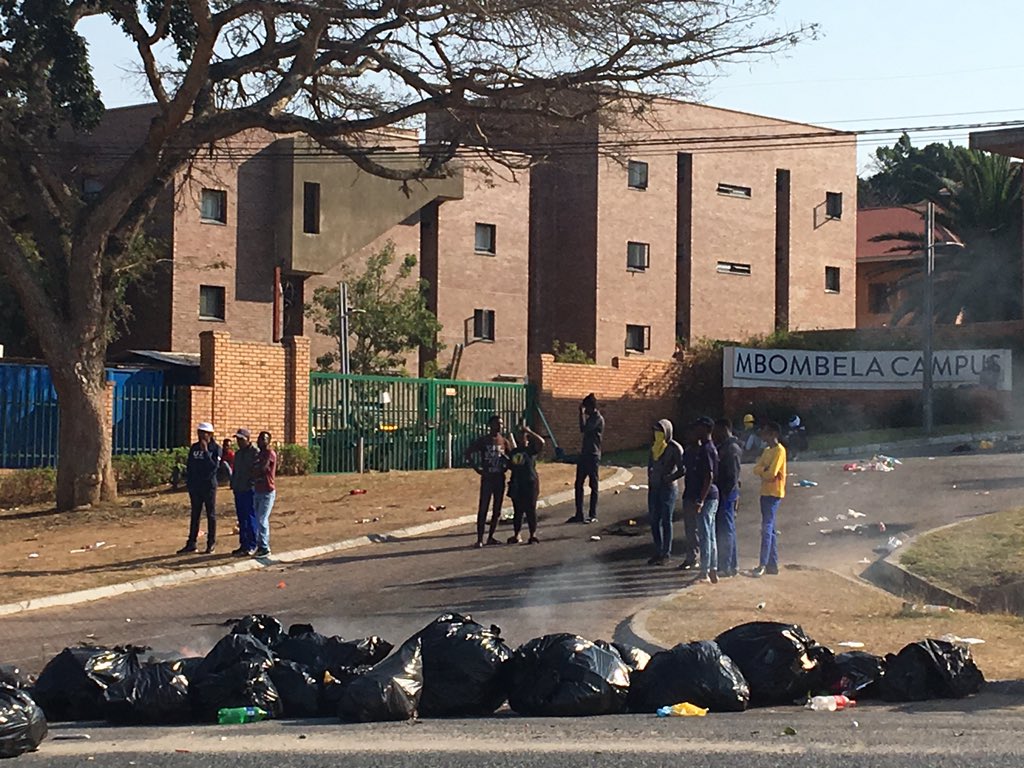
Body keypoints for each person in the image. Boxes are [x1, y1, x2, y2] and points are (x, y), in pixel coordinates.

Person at [464, 415, 511, 548]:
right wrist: (477, 468)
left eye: (501, 424)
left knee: (497, 509)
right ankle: (480, 538)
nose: (500, 426)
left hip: (499, 478)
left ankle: (491, 536)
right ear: (490, 425)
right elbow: (468, 453)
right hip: (488, 478)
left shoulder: (504, 441)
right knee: (483, 507)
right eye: (497, 424)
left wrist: (506, 464)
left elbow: (511, 457)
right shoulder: (483, 441)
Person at [685, 417, 720, 583]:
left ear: (706, 429)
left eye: (698, 428)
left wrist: (700, 500)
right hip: (710, 496)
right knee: (710, 533)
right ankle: (712, 568)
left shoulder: (707, 449)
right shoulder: (705, 448)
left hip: (706, 497)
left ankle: (705, 571)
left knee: (706, 534)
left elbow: (709, 476)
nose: (695, 431)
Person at [646, 419, 686, 566]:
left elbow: (683, 469)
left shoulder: (675, 448)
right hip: (654, 487)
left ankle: (666, 553)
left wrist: (669, 477)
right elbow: (650, 465)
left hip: (668, 488)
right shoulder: (654, 447)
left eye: (660, 431)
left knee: (666, 520)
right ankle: (658, 550)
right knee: (654, 520)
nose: (657, 434)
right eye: (656, 431)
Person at [178, 422, 221, 555]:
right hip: (195, 486)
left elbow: (214, 467)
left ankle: (211, 543)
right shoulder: (194, 447)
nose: (201, 435)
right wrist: (189, 483)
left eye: (204, 433)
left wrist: (206, 452)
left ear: (210, 434)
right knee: (195, 514)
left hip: (208, 486)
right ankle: (191, 543)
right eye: (199, 432)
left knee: (210, 514)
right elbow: (190, 466)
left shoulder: (215, 448)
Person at [752, 421, 787, 577]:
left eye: (766, 433)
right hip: (764, 492)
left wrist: (764, 471)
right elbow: (756, 468)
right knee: (770, 529)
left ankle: (763, 564)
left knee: (766, 528)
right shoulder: (767, 451)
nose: (763, 436)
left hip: (774, 493)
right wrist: (764, 471)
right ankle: (772, 565)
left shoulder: (780, 451)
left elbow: (771, 473)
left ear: (773, 434)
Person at [712, 418, 743, 577]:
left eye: (716, 430)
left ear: (724, 429)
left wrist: (724, 495)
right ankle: (730, 564)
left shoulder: (731, 449)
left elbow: (732, 477)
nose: (714, 434)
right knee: (726, 529)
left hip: (727, 494)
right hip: (725, 493)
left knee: (726, 530)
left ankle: (727, 565)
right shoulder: (724, 447)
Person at [506, 424, 546, 545]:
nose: (521, 438)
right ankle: (517, 534)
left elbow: (542, 442)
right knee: (518, 511)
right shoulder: (514, 452)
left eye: (524, 436)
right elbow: (510, 466)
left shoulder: (531, 450)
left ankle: (532, 534)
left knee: (530, 510)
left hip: (530, 482)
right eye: (519, 435)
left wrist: (530, 431)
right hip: (517, 483)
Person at [569, 393, 604, 524]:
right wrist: (581, 414)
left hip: (593, 455)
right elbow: (582, 428)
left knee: (593, 485)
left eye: (586, 408)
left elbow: (585, 429)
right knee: (578, 484)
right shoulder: (590, 418)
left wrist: (581, 414)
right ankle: (579, 513)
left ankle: (592, 514)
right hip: (584, 454)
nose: (585, 410)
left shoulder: (597, 419)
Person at [230, 428, 259, 557]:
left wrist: (251, 483)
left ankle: (253, 544)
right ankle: (243, 544)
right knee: (241, 519)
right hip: (239, 488)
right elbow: (235, 470)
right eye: (237, 439)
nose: (239, 442)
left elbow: (256, 471)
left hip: (249, 489)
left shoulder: (254, 452)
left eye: (241, 439)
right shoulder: (238, 454)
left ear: (248, 439)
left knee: (250, 517)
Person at [252, 430, 277, 557]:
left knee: (262, 519)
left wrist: (255, 469)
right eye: (259, 438)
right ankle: (259, 544)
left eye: (264, 439)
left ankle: (265, 548)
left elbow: (262, 468)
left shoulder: (269, 453)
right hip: (257, 489)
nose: (260, 441)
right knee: (257, 519)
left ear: (268, 441)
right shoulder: (258, 454)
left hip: (267, 491)